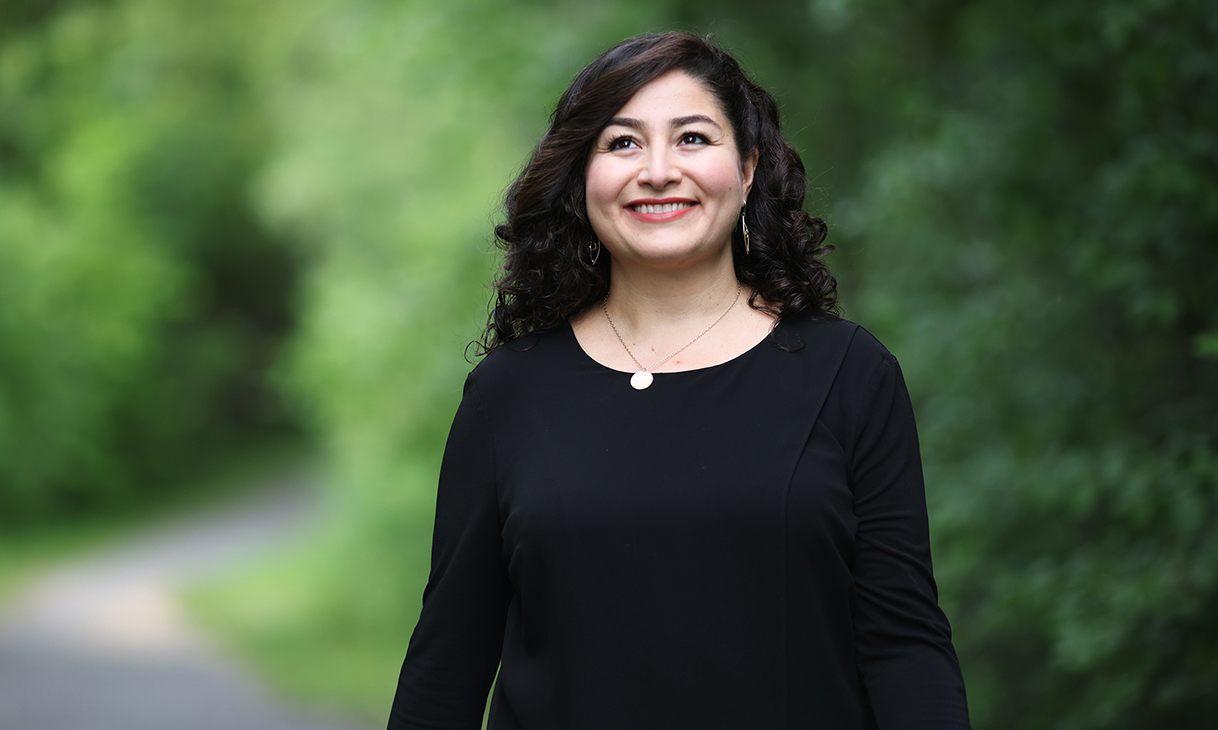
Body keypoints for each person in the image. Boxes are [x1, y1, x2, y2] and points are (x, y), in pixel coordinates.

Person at [388, 31, 970, 730]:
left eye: (693, 139)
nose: (658, 170)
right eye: (623, 143)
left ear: (747, 170)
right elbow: (446, 664)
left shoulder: (848, 374)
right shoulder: (508, 395)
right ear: (582, 178)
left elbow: (904, 646)